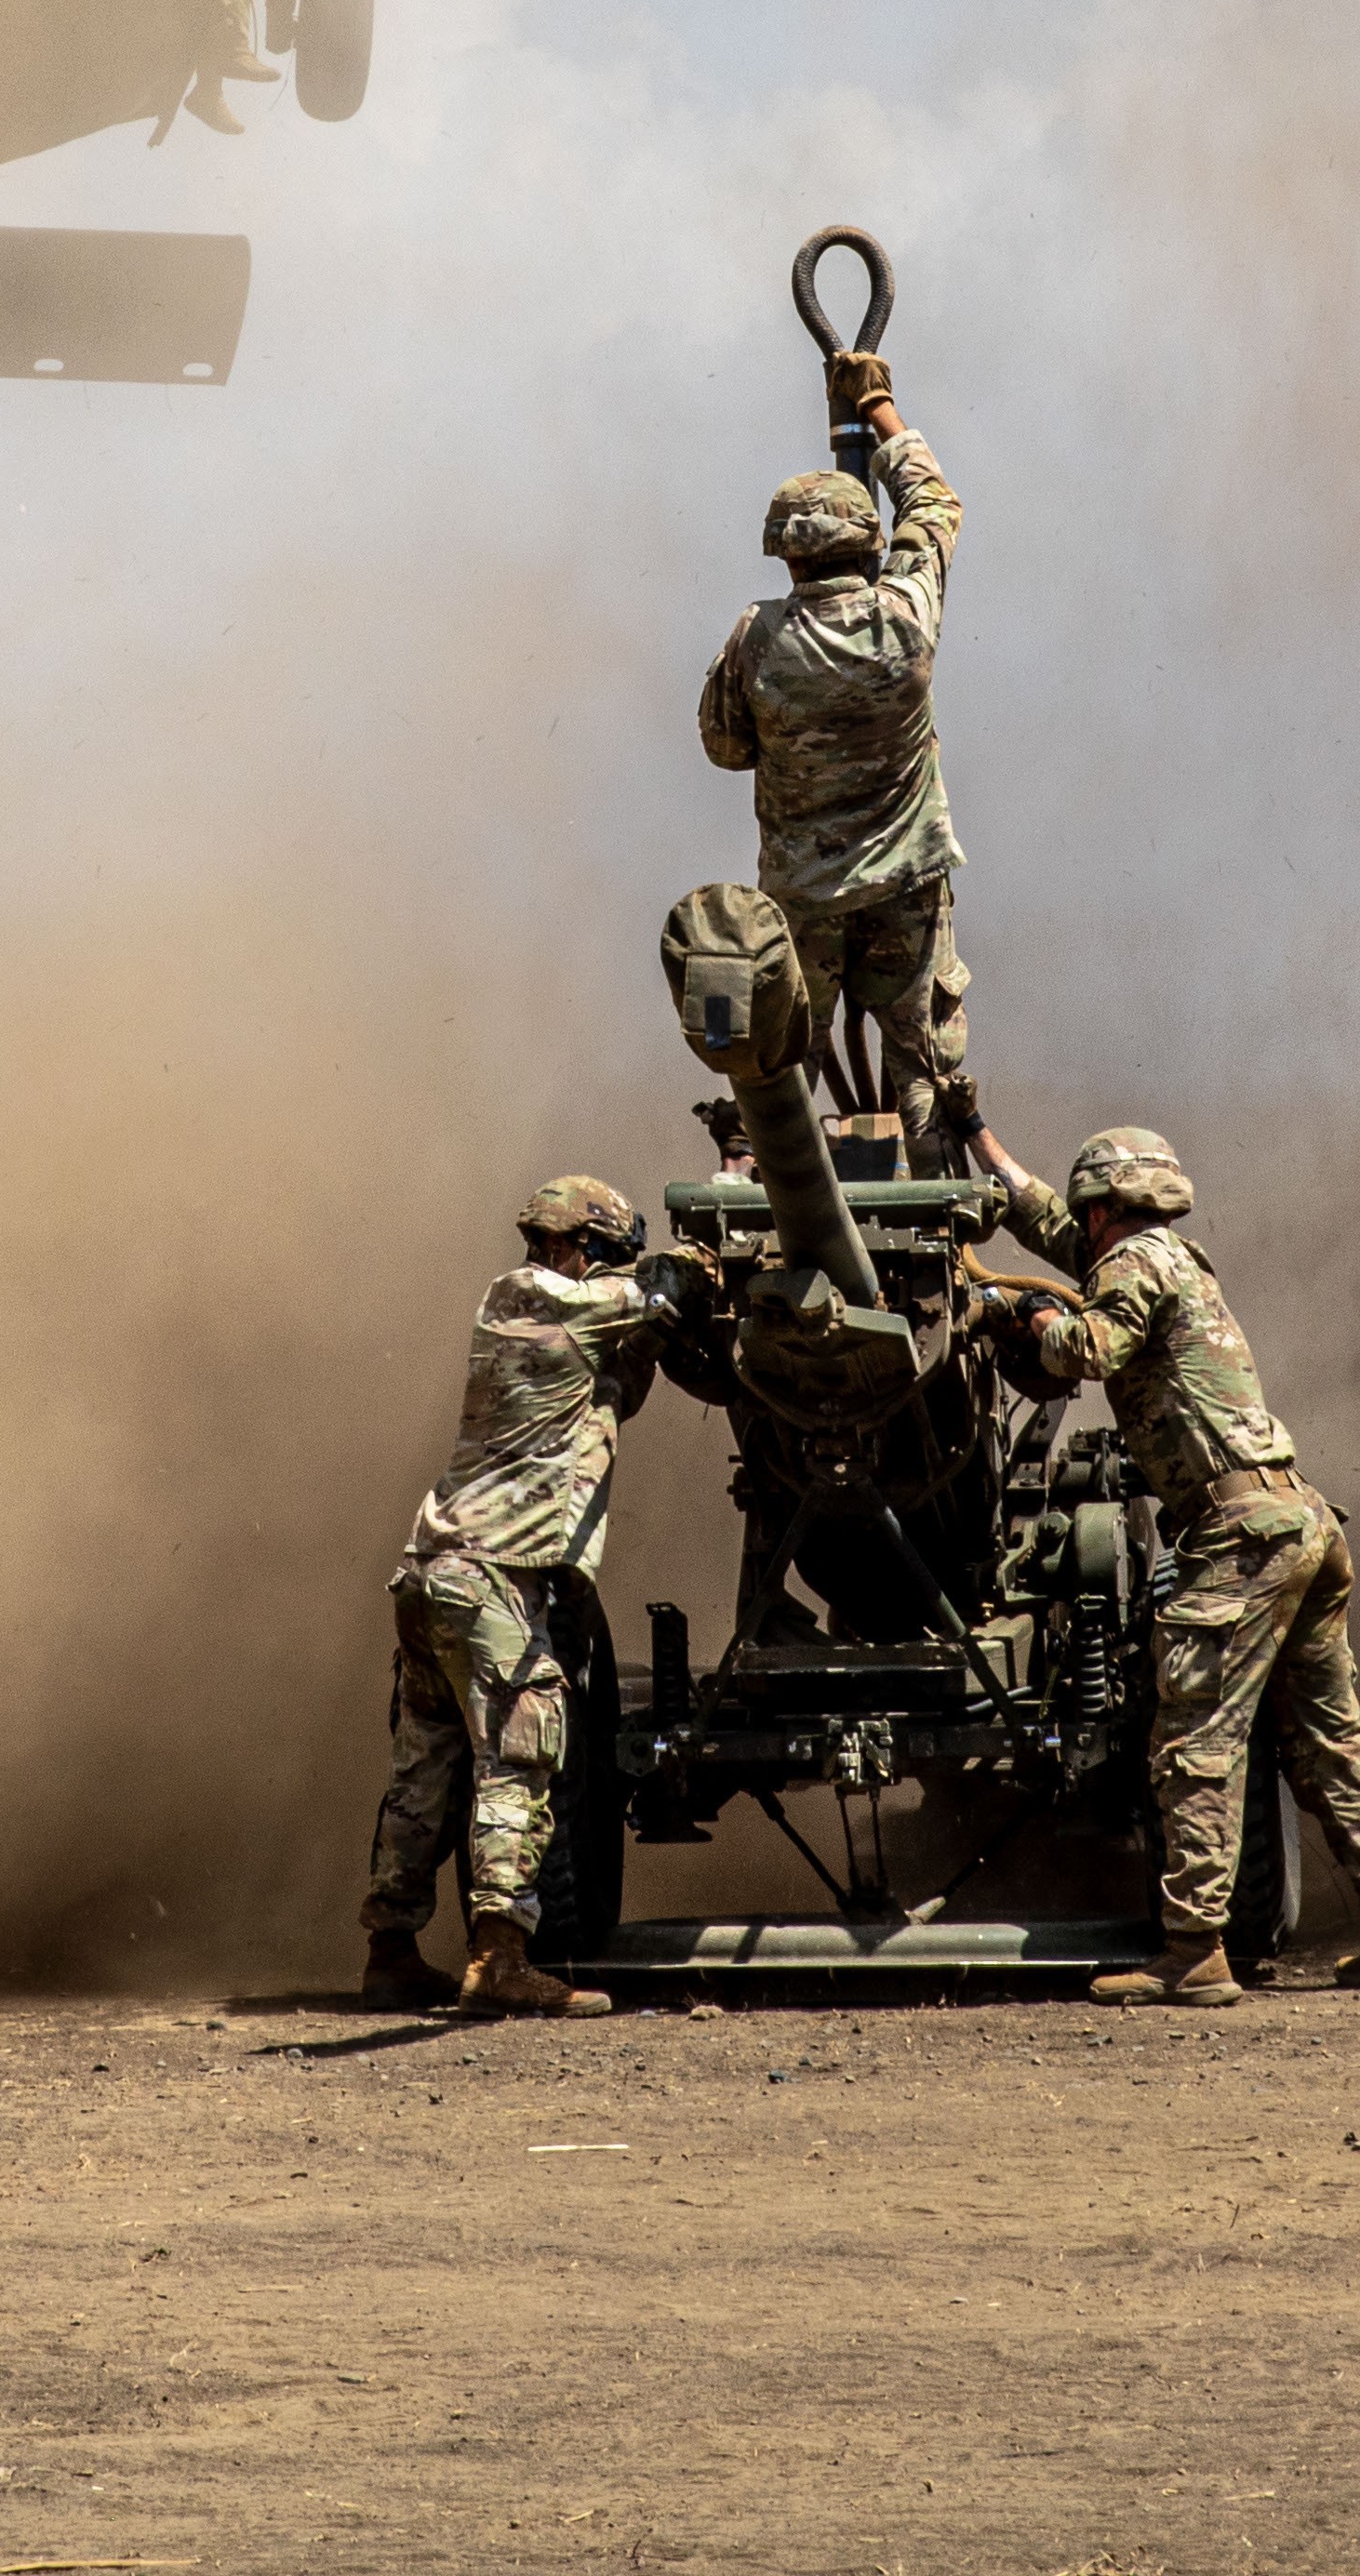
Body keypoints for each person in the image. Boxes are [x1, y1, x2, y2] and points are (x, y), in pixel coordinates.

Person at [973, 1125, 1360, 2005]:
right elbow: (1044, 1224)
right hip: (1295, 1519)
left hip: (1239, 1536)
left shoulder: (1133, 1264)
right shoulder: (1168, 1257)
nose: (1079, 1223)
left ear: (1105, 1206)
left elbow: (1084, 1350)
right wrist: (977, 1138)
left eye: (1087, 1210)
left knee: (1195, 1743)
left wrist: (1023, 1315)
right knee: (1328, 1741)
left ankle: (1194, 1948)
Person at [360, 1173, 684, 2017]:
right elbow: (653, 1294)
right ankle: (499, 1959)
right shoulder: (531, 1293)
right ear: (572, 1247)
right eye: (603, 1256)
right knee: (521, 1755)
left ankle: (389, 1951)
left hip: (436, 1573)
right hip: (491, 1579)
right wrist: (695, 1271)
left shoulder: (556, 1335)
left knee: (424, 1770)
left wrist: (653, 1327)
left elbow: (614, 1388)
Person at [696, 358, 977, 1164]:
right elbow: (934, 504)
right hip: (908, 893)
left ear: (786, 558)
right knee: (920, 1067)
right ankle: (933, 1218)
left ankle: (754, 1178)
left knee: (785, 1059)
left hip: (804, 897)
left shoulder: (757, 638)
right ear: (867, 543)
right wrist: (878, 406)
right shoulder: (907, 619)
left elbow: (724, 748)